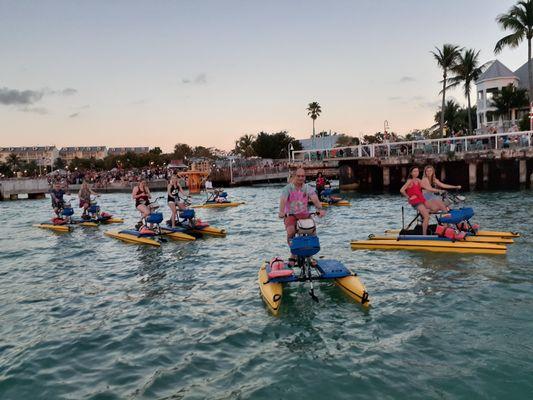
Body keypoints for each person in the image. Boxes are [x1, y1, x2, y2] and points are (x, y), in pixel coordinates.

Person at [279, 168, 325, 264]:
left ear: (305, 177)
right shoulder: (287, 188)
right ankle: (293, 253)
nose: (300, 178)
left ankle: (311, 255)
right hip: (290, 214)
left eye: (303, 176)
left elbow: (315, 199)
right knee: (291, 231)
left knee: (313, 230)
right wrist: (281, 212)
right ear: (295, 176)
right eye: (298, 176)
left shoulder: (308, 188)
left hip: (304, 214)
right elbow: (283, 200)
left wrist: (320, 209)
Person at [400, 166, 431, 236]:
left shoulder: (419, 180)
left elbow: (426, 188)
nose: (416, 172)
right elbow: (402, 190)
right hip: (415, 202)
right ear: (411, 173)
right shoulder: (409, 181)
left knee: (434, 209)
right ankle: (424, 235)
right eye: (414, 171)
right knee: (427, 217)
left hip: (421, 200)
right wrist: (408, 197)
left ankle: (424, 228)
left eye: (417, 171)